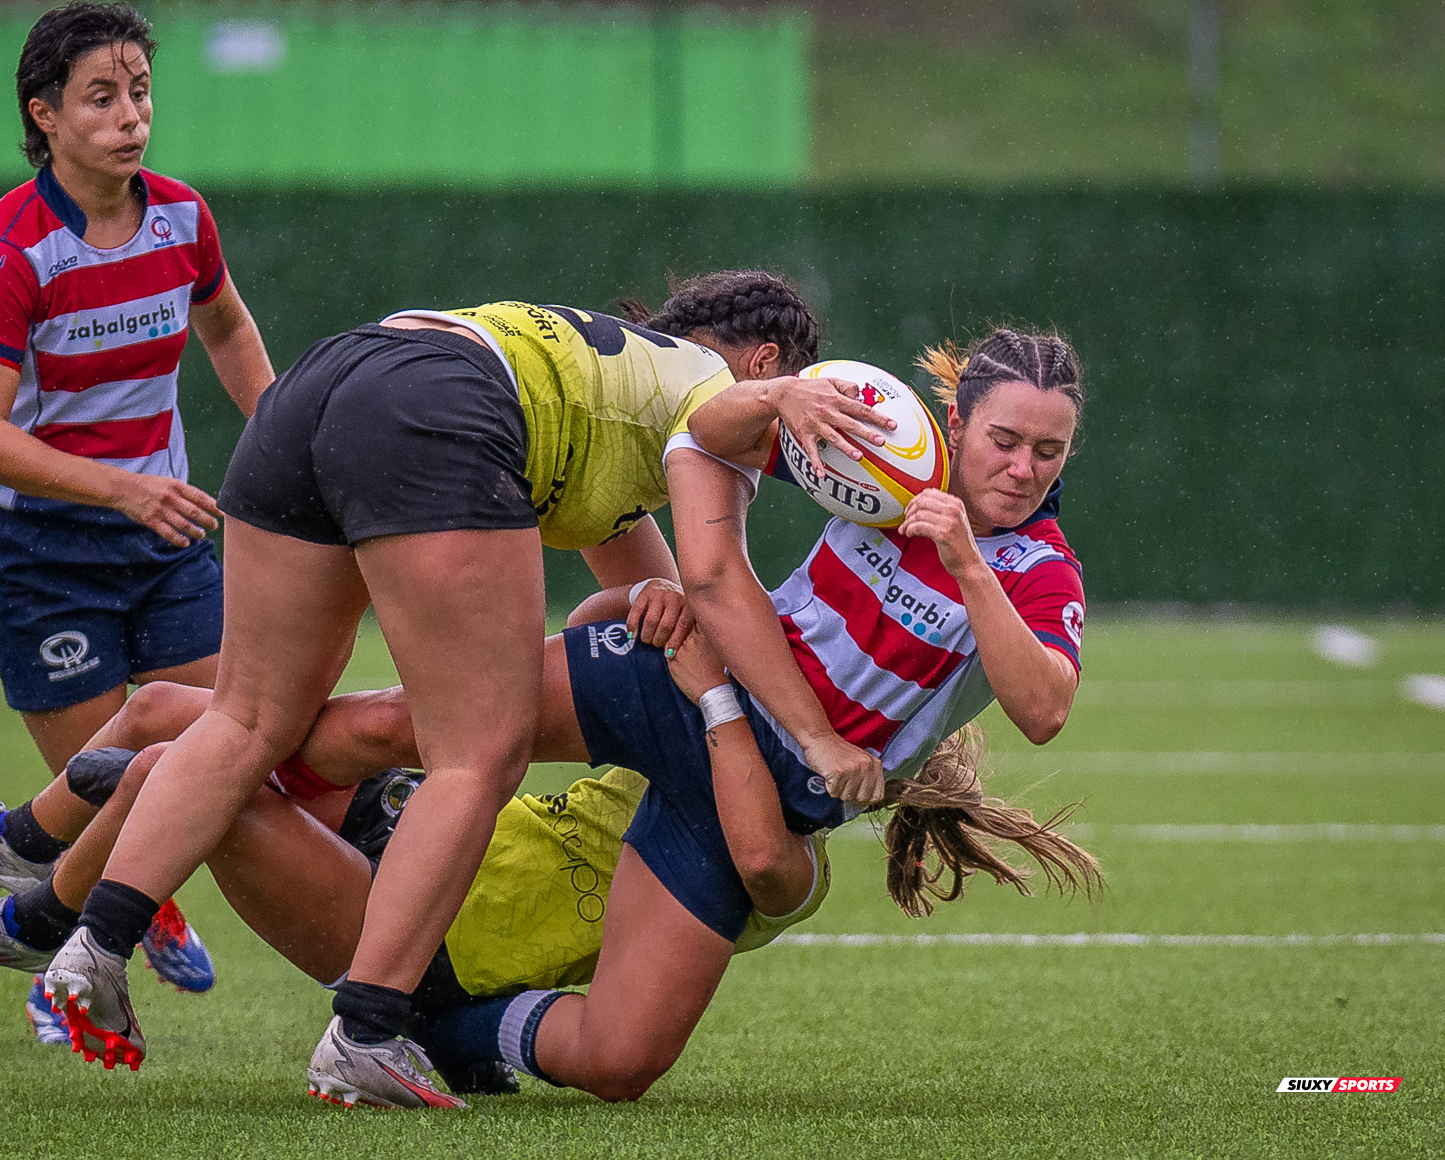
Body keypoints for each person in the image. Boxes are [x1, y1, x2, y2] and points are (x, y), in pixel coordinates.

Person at [41, 275, 899, 1106]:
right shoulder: (713, 397)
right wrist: (779, 403)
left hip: (330, 376)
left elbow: (652, 601)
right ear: (766, 363)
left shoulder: (624, 414)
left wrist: (676, 619)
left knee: (249, 716)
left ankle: (93, 941)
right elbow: (714, 544)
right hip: (439, 403)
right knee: (479, 751)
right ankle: (367, 1032)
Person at [262, 326, 1099, 1100]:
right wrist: (778, 397)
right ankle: (219, 766)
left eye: (1050, 452)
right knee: (399, 727)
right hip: (693, 671)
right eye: (1005, 440)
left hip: (765, 788)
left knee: (620, 1059)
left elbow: (1042, 709)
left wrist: (967, 562)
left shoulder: (1041, 567)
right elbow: (705, 434)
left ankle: (442, 1026)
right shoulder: (894, 454)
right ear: (957, 420)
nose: (1024, 469)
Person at [0, 623, 1092, 1100]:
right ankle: (30, 858)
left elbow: (762, 845)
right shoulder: (698, 727)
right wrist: (672, 620)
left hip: (408, 928)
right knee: (163, 713)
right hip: (419, 819)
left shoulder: (775, 856)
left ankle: (43, 913)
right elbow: (574, 674)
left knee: (176, 773)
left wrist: (725, 693)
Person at [0, 0, 275, 1017]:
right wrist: (129, 486)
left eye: (140, 90)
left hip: (163, 541)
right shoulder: (14, 252)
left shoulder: (182, 216)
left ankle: (66, 902)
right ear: (43, 115)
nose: (131, 115)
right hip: (35, 554)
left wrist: (294, 440)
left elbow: (226, 329)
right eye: (101, 96)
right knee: (113, 791)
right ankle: (80, 953)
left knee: (238, 745)